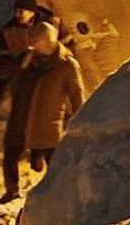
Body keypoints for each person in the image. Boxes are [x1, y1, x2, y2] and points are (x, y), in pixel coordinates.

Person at [23, 21, 85, 173]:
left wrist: (81, 123)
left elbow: (77, 95)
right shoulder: (33, 61)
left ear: (46, 41)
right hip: (32, 127)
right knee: (37, 167)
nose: (32, 46)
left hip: (52, 129)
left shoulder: (67, 65)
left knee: (56, 171)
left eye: (36, 42)